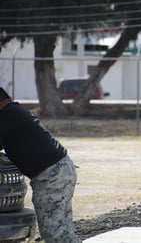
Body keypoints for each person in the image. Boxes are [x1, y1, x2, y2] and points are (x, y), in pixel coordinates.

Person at [0, 87, 81, 243]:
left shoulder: (7, 116)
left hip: (51, 176)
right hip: (62, 170)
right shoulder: (16, 112)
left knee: (54, 233)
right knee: (64, 231)